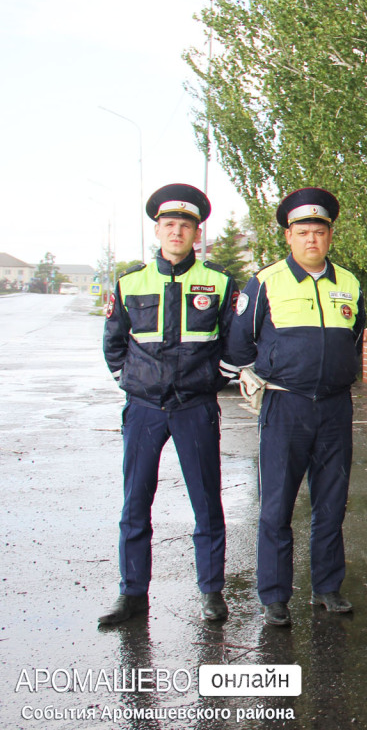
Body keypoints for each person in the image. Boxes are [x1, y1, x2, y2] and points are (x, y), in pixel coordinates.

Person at [226, 187, 367, 627]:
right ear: (289, 237)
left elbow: (356, 336)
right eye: (303, 232)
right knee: (278, 504)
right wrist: (263, 375)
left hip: (334, 408)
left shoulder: (349, 282)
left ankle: (326, 587)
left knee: (331, 502)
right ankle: (274, 594)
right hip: (285, 408)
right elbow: (238, 343)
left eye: (319, 232)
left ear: (329, 237)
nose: (312, 240)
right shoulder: (266, 282)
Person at [100, 183, 237, 625]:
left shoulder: (218, 282)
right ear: (157, 230)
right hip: (144, 409)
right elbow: (114, 343)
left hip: (195, 407)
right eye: (169, 224)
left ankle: (212, 591)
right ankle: (132, 595)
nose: (177, 232)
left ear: (197, 233)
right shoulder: (130, 282)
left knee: (206, 502)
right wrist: (133, 383)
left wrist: (215, 381)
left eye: (186, 225)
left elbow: (232, 342)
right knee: (135, 503)